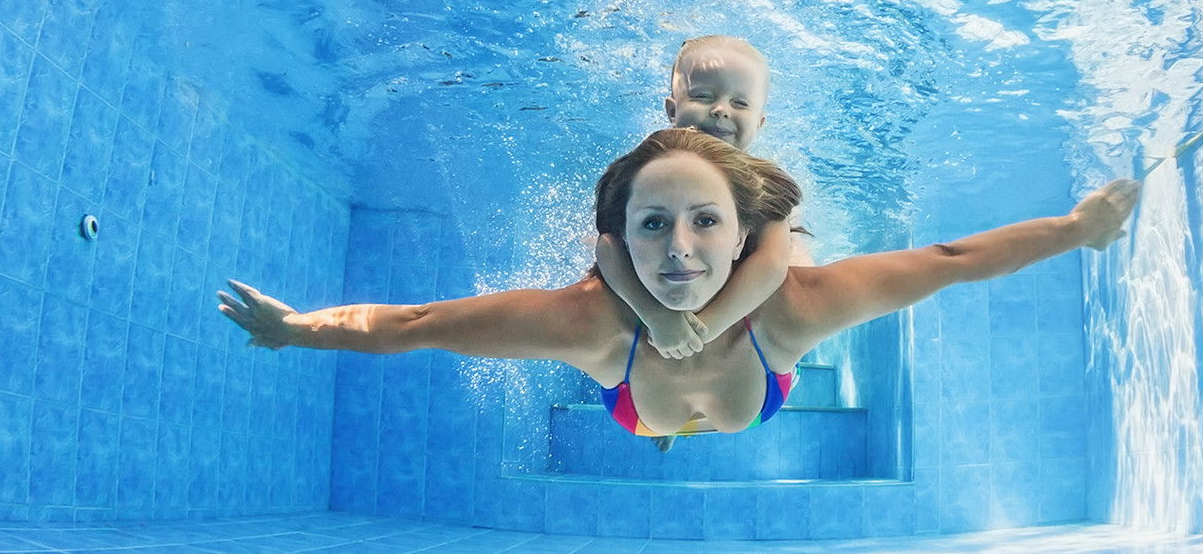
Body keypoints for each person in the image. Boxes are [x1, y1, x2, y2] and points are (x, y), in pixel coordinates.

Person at [218, 128, 1141, 439]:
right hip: (640, 402)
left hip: (740, 386)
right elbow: (415, 323)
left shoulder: (796, 303)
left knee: (679, 421)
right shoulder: (584, 322)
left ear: (746, 234)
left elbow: (950, 263)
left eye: (706, 222)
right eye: (653, 225)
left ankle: (672, 428)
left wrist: (1077, 230)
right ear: (618, 239)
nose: (682, 252)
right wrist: (301, 329)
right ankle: (666, 433)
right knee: (664, 429)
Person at [600, 35, 795, 364]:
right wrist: (657, 318)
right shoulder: (649, 171)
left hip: (751, 372)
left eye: (741, 103)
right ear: (672, 110)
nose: (721, 110)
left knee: (799, 260)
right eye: (704, 96)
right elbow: (607, 246)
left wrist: (702, 331)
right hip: (640, 387)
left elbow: (772, 263)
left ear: (759, 123)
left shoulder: (763, 186)